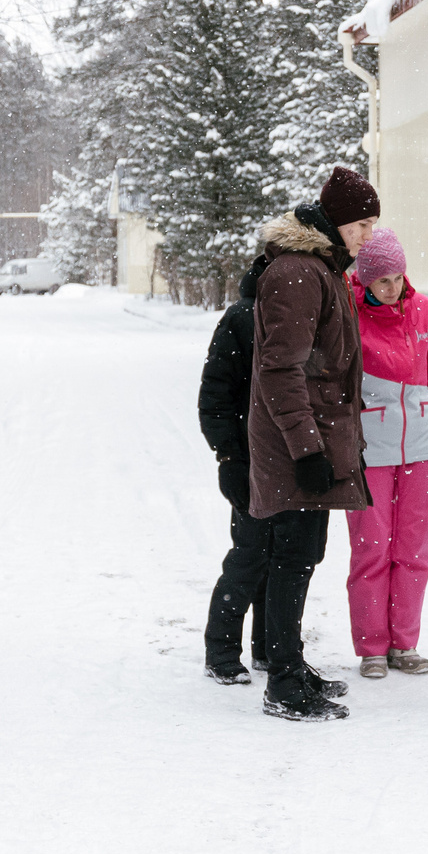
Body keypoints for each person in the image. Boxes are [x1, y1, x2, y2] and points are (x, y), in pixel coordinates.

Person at [245, 166, 377, 721]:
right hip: (297, 444)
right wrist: (307, 449)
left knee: (302, 556)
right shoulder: (300, 273)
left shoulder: (320, 268)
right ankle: (283, 682)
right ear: (339, 222)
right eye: (363, 224)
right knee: (292, 558)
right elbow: (282, 371)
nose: (369, 236)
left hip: (315, 438)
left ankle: (291, 663)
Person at [344, 226, 428, 678]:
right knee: (372, 548)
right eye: (382, 281)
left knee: (414, 549)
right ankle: (373, 646)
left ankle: (404, 644)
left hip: (421, 450)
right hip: (369, 451)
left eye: (398, 278)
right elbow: (337, 387)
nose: (393, 289)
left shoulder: (423, 312)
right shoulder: (350, 316)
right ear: (365, 280)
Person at [198, 277, 271, 684]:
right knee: (250, 554)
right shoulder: (243, 317)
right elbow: (215, 395)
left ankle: (269, 648)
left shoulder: (302, 311)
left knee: (285, 558)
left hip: (291, 456)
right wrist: (228, 455)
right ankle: (221, 650)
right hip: (249, 458)